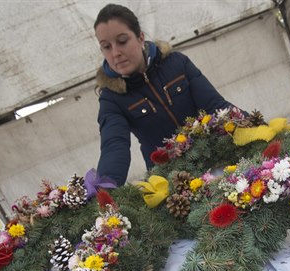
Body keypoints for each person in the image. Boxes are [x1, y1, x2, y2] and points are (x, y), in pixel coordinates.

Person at [94, 3, 237, 186]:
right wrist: (104, 192)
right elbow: (114, 147)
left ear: (140, 38)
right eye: (106, 46)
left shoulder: (177, 64)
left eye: (122, 41)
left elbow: (217, 106)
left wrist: (258, 127)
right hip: (170, 183)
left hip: (216, 162)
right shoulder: (111, 98)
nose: (116, 53)